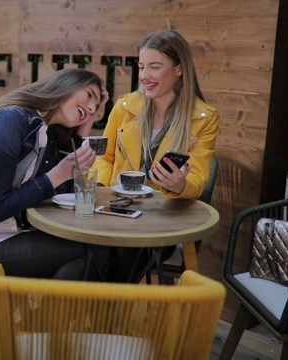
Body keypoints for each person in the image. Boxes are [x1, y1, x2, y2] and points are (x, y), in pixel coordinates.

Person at [0, 68, 112, 280]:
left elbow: (64, 192)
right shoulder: (10, 120)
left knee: (82, 260)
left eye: (95, 107)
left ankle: (48, 312)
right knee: (92, 249)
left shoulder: (45, 132)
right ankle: (50, 311)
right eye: (89, 96)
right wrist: (57, 175)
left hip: (4, 235)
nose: (90, 107)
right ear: (66, 85)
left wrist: (87, 122)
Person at [84, 29, 220, 282]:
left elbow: (198, 180)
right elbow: (105, 157)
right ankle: (101, 311)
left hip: (161, 218)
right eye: (142, 66)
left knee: (122, 254)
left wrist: (179, 185)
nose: (144, 76)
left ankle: (106, 314)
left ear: (179, 69)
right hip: (115, 209)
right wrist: (101, 187)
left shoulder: (203, 118)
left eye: (154, 67)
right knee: (85, 252)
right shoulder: (125, 106)